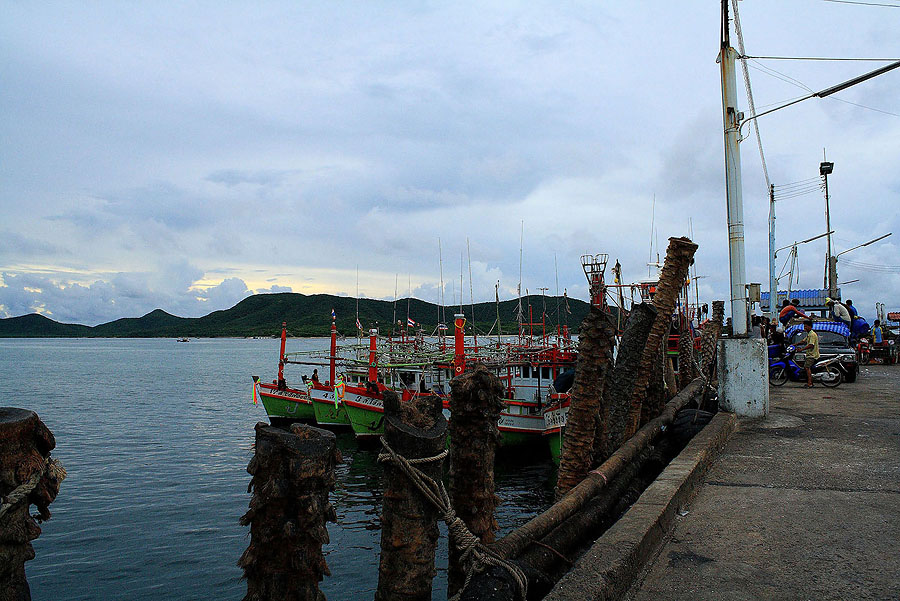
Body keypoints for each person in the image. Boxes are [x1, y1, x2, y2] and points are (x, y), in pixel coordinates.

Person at [798, 319, 820, 388]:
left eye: (806, 326)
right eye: (804, 327)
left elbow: (811, 345)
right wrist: (795, 344)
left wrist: (802, 349)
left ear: (810, 326)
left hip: (812, 355)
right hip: (810, 354)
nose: (805, 328)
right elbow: (803, 341)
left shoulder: (812, 335)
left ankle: (810, 383)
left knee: (807, 367)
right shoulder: (809, 334)